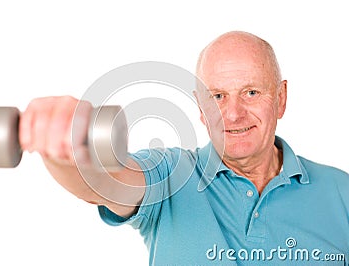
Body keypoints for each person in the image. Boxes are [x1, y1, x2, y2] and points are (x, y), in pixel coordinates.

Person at [19, 31, 348, 265]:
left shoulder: (341, 191)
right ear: (201, 109)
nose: (233, 114)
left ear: (281, 98)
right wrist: (64, 148)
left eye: (250, 93)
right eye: (217, 96)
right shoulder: (170, 174)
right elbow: (104, 180)